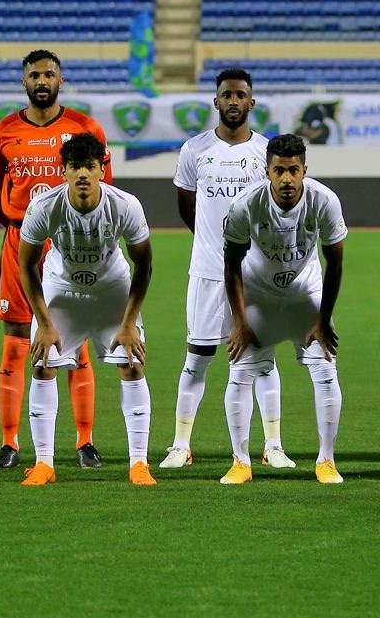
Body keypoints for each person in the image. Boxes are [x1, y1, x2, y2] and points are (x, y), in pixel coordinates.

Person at [0, 48, 112, 470]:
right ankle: (9, 442)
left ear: (60, 80)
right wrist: (16, 223)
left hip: (71, 245)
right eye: (34, 75)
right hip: (21, 243)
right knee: (17, 343)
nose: (41, 81)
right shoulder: (1, 133)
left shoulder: (85, 127)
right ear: (24, 82)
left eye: (49, 74)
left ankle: (85, 441)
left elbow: (102, 185)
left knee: (77, 343)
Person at [161, 68, 292, 470]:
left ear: (251, 103)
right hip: (207, 271)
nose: (233, 101)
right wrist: (210, 241)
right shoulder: (194, 150)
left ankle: (273, 445)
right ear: (216, 102)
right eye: (226, 95)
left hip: (256, 273)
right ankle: (181, 444)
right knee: (198, 355)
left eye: (240, 95)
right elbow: (187, 203)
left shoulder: (266, 153)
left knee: (262, 359)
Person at [16, 134, 155, 486]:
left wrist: (127, 324)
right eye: (75, 166)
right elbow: (27, 266)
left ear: (101, 171)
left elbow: (144, 266)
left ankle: (139, 463)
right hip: (64, 292)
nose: (82, 174)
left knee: (132, 363)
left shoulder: (125, 205)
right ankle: (44, 463)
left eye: (90, 167)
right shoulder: (43, 207)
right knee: (44, 364)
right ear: (63, 171)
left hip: (112, 292)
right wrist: (45, 323)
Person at [220, 133, 347, 485]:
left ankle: (326, 461)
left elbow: (334, 263)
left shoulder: (325, 201)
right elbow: (231, 265)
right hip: (258, 295)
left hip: (305, 295)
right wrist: (240, 321)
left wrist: (322, 319)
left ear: (305, 170)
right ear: (267, 171)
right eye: (279, 171)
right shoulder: (246, 205)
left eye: (294, 170)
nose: (287, 179)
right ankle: (240, 462)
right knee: (241, 372)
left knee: (324, 371)